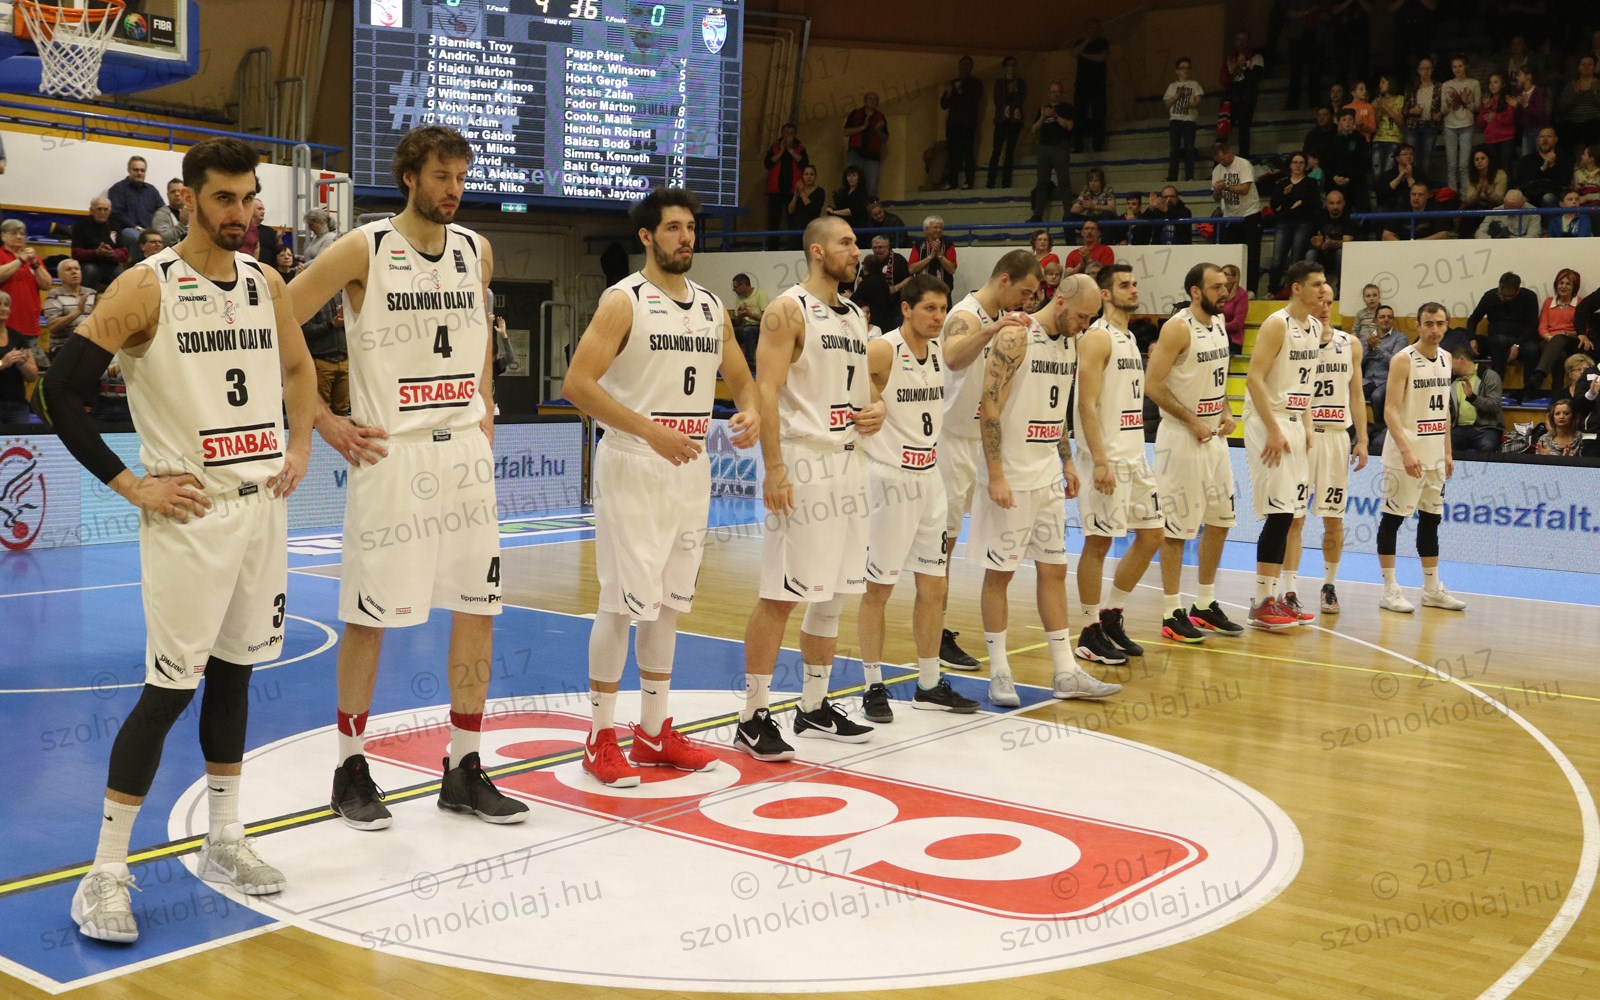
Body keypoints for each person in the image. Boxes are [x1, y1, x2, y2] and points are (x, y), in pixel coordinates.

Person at [43, 136, 319, 942]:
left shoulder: (267, 281)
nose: (241, 212)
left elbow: (299, 371)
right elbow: (60, 388)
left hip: (260, 507)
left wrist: (301, 443)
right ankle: (104, 873)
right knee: (169, 691)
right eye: (224, 198)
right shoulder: (146, 284)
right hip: (190, 516)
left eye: (249, 197)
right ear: (188, 199)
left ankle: (225, 839)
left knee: (235, 677)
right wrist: (131, 484)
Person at [289, 124, 526, 829]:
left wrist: (486, 412)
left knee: (479, 608)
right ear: (409, 178)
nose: (453, 189)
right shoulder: (363, 247)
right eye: (441, 176)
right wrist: (325, 420)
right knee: (370, 618)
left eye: (461, 177)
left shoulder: (477, 251)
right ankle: (350, 767)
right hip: (393, 454)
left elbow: (479, 337)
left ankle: (464, 766)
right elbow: (273, 322)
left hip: (464, 452)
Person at [560, 187, 760, 784]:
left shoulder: (711, 306)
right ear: (647, 236)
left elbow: (742, 378)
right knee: (620, 604)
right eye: (673, 227)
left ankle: (652, 732)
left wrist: (750, 410)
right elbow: (577, 384)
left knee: (668, 604)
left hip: (689, 465)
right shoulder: (624, 301)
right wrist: (649, 431)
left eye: (691, 227)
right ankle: (599, 737)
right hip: (635, 459)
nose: (685, 237)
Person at [734, 215, 885, 760]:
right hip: (804, 462)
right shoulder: (787, 309)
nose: (856, 250)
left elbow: (867, 388)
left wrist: (878, 408)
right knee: (781, 594)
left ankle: (814, 705)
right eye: (846, 242)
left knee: (837, 593)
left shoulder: (856, 317)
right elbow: (766, 390)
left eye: (856, 242)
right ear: (818, 250)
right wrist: (773, 467)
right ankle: (752, 716)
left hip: (851, 462)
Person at [974, 272, 1122, 703]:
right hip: (1011, 475)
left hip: (1046, 476)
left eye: (1091, 318)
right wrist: (996, 474)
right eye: (1081, 316)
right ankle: (999, 671)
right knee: (1000, 573)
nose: (1085, 325)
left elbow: (1055, 409)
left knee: (1054, 569)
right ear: (1059, 301)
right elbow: (989, 406)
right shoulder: (1016, 336)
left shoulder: (1071, 342)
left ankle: (1066, 671)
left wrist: (1067, 460)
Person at [854, 274, 983, 722]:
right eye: (929, 308)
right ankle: (873, 685)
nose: (938, 316)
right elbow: (846, 380)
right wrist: (874, 400)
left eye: (943, 309)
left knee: (934, 586)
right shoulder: (883, 349)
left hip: (930, 478)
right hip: (889, 480)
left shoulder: (939, 354)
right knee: (879, 588)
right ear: (906, 309)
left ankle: (928, 684)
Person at [936, 251, 1041, 670]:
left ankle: (942, 628)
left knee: (963, 545)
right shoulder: (966, 314)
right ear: (1004, 280)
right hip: (949, 442)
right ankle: (935, 633)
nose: (1027, 300)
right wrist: (991, 329)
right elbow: (952, 356)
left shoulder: (1002, 318)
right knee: (940, 547)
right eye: (1025, 291)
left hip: (979, 441)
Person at [1146, 262, 1245, 641]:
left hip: (1214, 437)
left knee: (1221, 521)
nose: (1225, 291)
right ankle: (1171, 612)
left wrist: (1226, 410)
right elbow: (1153, 385)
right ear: (1195, 291)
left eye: (1226, 285)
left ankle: (1204, 604)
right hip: (1182, 439)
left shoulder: (1218, 323)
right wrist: (1191, 420)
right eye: (1217, 286)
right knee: (1177, 530)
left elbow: (1215, 379)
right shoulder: (1177, 328)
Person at [1071, 264, 1164, 664]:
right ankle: (1088, 629)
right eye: (1124, 285)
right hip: (1105, 457)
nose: (1133, 290)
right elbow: (1086, 404)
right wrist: (1099, 460)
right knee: (1099, 542)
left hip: (1133, 454)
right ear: (1105, 294)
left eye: (1135, 284)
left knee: (1153, 535)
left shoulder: (1128, 336)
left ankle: (1112, 613)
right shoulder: (1097, 337)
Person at [1242, 260, 1325, 629]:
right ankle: (1262, 602)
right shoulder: (1277, 324)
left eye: (1324, 284)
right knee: (1278, 514)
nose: (1324, 290)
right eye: (1316, 284)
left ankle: (1274, 598)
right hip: (1268, 422)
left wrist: (1306, 426)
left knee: (1290, 514)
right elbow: (1254, 379)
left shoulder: (1315, 326)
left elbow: (1303, 385)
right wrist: (1274, 429)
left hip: (1293, 423)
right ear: (1297, 288)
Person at [1377, 302, 1466, 613]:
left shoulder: (1446, 358)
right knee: (1392, 520)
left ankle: (1431, 589)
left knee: (1431, 520)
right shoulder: (1403, 359)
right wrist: (1406, 451)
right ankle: (1390, 590)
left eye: (1440, 323)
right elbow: (1389, 411)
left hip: (1434, 456)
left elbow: (1444, 410)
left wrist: (1447, 451)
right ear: (1417, 325)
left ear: (1447, 325)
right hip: (1405, 455)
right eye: (1429, 323)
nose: (1435, 329)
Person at [1296, 283, 1368, 614]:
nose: (1324, 308)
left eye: (1329, 303)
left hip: (1338, 437)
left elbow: (1357, 394)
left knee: (1333, 519)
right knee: (1294, 518)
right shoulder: (1296, 342)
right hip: (1303, 437)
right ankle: (1288, 588)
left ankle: (1329, 585)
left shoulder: (1350, 343)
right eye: (1319, 302)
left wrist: (1362, 439)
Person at [1465, 271, 1539, 387]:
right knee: (1499, 341)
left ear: (1517, 290)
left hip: (1522, 340)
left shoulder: (1529, 297)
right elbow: (1473, 320)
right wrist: (1472, 339)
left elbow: (1532, 326)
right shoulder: (1490, 296)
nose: (1503, 298)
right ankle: (1496, 388)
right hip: (1497, 340)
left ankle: (1529, 390)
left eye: (1508, 297)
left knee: (1532, 349)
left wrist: (1517, 345)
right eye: (1500, 294)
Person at [1211, 143, 1263, 294]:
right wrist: (1218, 190)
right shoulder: (1217, 170)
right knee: (1231, 255)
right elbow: (1215, 198)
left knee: (1251, 254)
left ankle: (1251, 289)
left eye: (1223, 159)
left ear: (1229, 153)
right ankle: (1230, 289)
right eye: (1219, 161)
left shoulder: (1243, 164)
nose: (1222, 163)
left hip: (1249, 213)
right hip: (1230, 216)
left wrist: (1226, 186)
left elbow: (1245, 189)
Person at [1526, 267, 1581, 403]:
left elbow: (1582, 329)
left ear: (1574, 287)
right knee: (1559, 354)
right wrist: (1551, 338)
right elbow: (1542, 328)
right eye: (1561, 283)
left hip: (1570, 340)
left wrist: (1567, 334)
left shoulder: (1580, 303)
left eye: (1568, 284)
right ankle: (1557, 393)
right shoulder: (1548, 302)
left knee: (1560, 340)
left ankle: (1539, 375)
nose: (1563, 286)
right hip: (1550, 341)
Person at [1270, 152, 1320, 295]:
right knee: (1277, 259)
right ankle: (1272, 290)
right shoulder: (1282, 183)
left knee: (1296, 258)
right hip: (1284, 222)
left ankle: (1293, 292)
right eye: (1295, 162)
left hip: (1303, 222)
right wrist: (1284, 195)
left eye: (1301, 163)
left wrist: (1302, 203)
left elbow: (1316, 203)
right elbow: (1274, 204)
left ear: (1305, 166)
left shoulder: (1311, 182)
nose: (1298, 165)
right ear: (1290, 165)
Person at [1028, 82, 1075, 222]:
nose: (1056, 94)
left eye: (1058, 91)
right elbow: (1034, 130)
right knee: (1042, 182)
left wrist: (1055, 116)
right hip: (1044, 148)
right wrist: (1043, 117)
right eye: (1053, 92)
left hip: (1060, 147)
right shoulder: (1043, 108)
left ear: (1062, 93)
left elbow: (1069, 126)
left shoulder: (1067, 108)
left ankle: (1068, 215)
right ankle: (1038, 215)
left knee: (1064, 181)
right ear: (1049, 93)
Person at [0, 218, 50, 336]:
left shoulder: (33, 259)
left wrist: (35, 264)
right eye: (14, 233)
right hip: (4, 325)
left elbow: (47, 284)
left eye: (22, 233)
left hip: (30, 324)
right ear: (3, 236)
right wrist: (20, 261)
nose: (19, 236)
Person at [1448, 344, 1503, 453]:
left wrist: (1472, 397)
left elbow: (1495, 406)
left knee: (1487, 445)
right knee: (1445, 444)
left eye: (1451, 362)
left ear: (1461, 359)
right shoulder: (1450, 381)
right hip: (1459, 429)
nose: (1449, 367)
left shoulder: (1488, 376)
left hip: (1485, 428)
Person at [107, 155, 163, 261]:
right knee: (137, 238)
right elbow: (116, 214)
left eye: (142, 170)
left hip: (150, 230)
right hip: (128, 230)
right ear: (129, 170)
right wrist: (137, 228)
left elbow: (161, 211)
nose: (139, 173)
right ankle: (138, 266)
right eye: (136, 170)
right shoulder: (118, 189)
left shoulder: (152, 190)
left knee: (164, 237)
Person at [940, 55, 984, 190]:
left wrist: (959, 91)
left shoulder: (976, 84)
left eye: (967, 65)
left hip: (968, 124)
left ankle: (969, 181)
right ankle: (952, 181)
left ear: (971, 68)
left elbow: (973, 101)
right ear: (958, 67)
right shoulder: (953, 83)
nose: (964, 68)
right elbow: (943, 105)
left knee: (968, 152)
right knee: (953, 153)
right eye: (962, 65)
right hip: (953, 124)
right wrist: (949, 92)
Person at [853, 237, 911, 337]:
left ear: (888, 247)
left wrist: (895, 288)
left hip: (896, 306)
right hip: (875, 308)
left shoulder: (898, 260)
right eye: (874, 248)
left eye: (880, 247)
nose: (877, 250)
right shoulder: (871, 261)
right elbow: (862, 279)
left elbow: (909, 278)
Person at [762, 123, 808, 246]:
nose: (788, 135)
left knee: (793, 221)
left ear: (795, 134)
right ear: (782, 134)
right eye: (786, 132)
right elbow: (767, 163)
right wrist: (782, 151)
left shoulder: (800, 148)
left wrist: (790, 150)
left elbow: (803, 163)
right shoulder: (774, 147)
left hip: (793, 190)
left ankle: (793, 247)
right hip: (775, 190)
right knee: (773, 220)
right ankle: (772, 248)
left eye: (791, 133)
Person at [1440, 56, 1481, 195]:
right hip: (1449, 126)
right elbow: (1443, 110)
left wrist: (1466, 101)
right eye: (1454, 67)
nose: (1457, 69)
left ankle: (1465, 194)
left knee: (1464, 164)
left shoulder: (1474, 83)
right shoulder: (1446, 85)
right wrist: (1449, 104)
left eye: (1460, 66)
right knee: (1452, 164)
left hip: (1467, 125)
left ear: (1466, 66)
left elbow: (1477, 108)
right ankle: (1451, 195)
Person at [1222, 31, 1266, 156]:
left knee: (1244, 131)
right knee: (1223, 130)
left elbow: (1257, 78)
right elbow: (1223, 80)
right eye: (1238, 39)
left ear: (1248, 41)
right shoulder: (1230, 58)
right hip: (1232, 96)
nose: (1240, 42)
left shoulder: (1256, 57)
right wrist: (1230, 73)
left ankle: (1244, 161)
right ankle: (1218, 162)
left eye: (1243, 39)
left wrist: (1244, 67)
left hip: (1247, 97)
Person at [41, 258, 96, 356]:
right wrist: (77, 312)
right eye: (69, 269)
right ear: (60, 276)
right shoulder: (54, 295)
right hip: (64, 345)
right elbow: (53, 326)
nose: (74, 272)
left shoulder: (92, 293)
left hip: (90, 344)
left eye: (77, 269)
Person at [70, 198, 128, 291]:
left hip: (110, 265)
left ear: (110, 212)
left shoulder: (115, 226)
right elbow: (75, 254)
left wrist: (112, 253)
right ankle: (86, 298)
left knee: (122, 274)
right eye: (99, 209)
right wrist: (96, 252)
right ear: (91, 211)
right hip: (88, 264)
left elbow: (124, 253)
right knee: (90, 270)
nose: (102, 212)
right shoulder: (80, 226)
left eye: (105, 209)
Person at [1072, 18, 1111, 153]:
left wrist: (1084, 55)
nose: (1093, 30)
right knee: (1078, 115)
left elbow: (1101, 58)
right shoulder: (1080, 42)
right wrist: (1086, 41)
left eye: (1095, 27)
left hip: (1098, 86)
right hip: (1081, 85)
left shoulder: (1102, 42)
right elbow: (1074, 53)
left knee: (1099, 115)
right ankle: (1078, 146)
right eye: (1091, 27)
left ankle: (1098, 146)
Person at [1164, 56, 1205, 183]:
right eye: (1182, 68)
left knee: (1189, 147)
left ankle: (1189, 176)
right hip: (1175, 119)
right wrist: (1177, 97)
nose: (1185, 70)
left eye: (1188, 68)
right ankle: (1172, 176)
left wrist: (1189, 105)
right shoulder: (1172, 86)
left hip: (1190, 119)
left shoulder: (1194, 84)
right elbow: (1167, 104)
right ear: (1177, 71)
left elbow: (1198, 102)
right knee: (1174, 148)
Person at [988, 57, 1027, 189]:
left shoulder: (1021, 83)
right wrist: (1010, 91)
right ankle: (990, 181)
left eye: (1014, 65)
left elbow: (1021, 99)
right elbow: (998, 101)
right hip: (1002, 120)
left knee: (1010, 152)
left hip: (1014, 120)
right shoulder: (999, 83)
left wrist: (1015, 91)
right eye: (1009, 65)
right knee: (996, 150)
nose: (1012, 68)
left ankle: (1006, 182)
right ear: (1005, 67)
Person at [0, 292, 39, 424]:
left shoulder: (18, 337)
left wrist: (22, 364)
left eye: (6, 305)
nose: (3, 308)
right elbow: (3, 363)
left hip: (17, 404)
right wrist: (2, 363)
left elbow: (33, 375)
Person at [1403, 57, 1443, 183]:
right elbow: (1403, 110)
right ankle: (1413, 186)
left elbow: (1444, 107)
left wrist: (1440, 114)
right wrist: (1412, 111)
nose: (1426, 71)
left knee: (1426, 160)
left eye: (1428, 68)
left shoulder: (1439, 87)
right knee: (1412, 158)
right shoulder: (1411, 87)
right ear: (1418, 70)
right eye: (1423, 68)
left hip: (1430, 126)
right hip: (1413, 126)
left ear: (1432, 69)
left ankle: (1424, 187)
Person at [842, 95, 887, 197]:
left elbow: (885, 138)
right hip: (855, 152)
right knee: (851, 181)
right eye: (870, 99)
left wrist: (878, 130)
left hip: (873, 156)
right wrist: (863, 127)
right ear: (865, 100)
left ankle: (870, 205)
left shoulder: (880, 117)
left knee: (871, 185)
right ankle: (849, 204)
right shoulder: (855, 114)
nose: (873, 101)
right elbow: (845, 132)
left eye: (876, 100)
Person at [1381, 182, 1451, 240]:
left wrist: (1418, 244)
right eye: (1413, 194)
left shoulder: (1435, 208)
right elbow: (1386, 235)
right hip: (1405, 248)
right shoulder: (1401, 208)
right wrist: (1403, 246)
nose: (1416, 198)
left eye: (1420, 195)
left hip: (1429, 248)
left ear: (1427, 196)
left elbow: (1443, 234)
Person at [908, 215, 957, 289]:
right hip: (922, 289)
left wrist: (939, 254)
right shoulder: (918, 245)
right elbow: (911, 270)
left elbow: (952, 270)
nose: (939, 230)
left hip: (943, 289)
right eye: (935, 227)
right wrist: (930, 257)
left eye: (941, 228)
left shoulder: (948, 244)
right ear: (926, 229)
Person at [1371, 74, 1405, 177]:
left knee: (1388, 172)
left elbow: (1401, 122)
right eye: (1380, 82)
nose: (1380, 84)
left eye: (1383, 82)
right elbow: (1374, 125)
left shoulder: (1400, 99)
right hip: (1378, 139)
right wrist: (1379, 111)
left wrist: (1385, 106)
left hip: (1394, 140)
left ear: (1391, 83)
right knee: (1376, 172)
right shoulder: (1376, 101)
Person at [787, 164, 825, 247]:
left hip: (812, 229)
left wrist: (802, 193)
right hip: (797, 229)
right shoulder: (798, 191)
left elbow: (811, 209)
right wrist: (795, 196)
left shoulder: (820, 191)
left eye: (811, 174)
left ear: (815, 176)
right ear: (802, 176)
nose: (809, 177)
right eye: (806, 174)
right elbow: (790, 211)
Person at [149, 177, 188, 247]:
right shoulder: (161, 215)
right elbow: (162, 240)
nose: (177, 194)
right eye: (173, 191)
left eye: (179, 191)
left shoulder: (193, 211)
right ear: (168, 195)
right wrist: (182, 225)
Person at [1221, 263, 1249, 353]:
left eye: (1225, 274)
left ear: (1234, 278)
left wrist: (1218, 326)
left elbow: (1238, 323)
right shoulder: (1217, 292)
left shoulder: (1241, 295)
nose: (1221, 275)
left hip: (1233, 340)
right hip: (1216, 337)